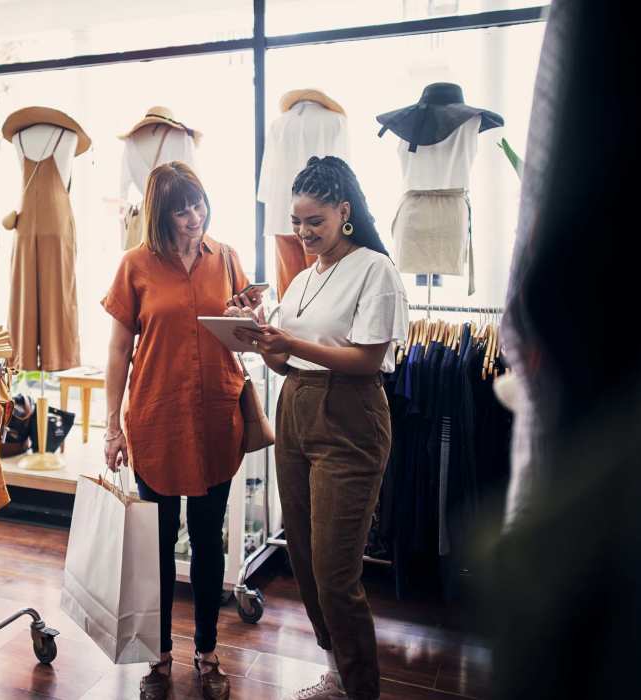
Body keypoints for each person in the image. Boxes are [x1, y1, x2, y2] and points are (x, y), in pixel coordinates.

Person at [232, 156, 408, 700]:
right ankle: (336, 671)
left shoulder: (374, 269)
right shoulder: (305, 278)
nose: (304, 233)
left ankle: (361, 690)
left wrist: (292, 345)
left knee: (335, 570)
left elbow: (368, 359)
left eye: (316, 221)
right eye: (298, 222)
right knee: (304, 557)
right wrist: (259, 334)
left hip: (350, 417)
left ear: (344, 212)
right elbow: (286, 364)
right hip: (295, 410)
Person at [102, 161, 256, 700]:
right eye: (180, 210)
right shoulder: (135, 266)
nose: (193, 218)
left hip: (216, 416)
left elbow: (244, 335)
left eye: (198, 204)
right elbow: (120, 351)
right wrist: (111, 428)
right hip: (157, 418)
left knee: (209, 539)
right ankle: (160, 655)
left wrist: (248, 317)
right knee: (159, 543)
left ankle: (208, 651)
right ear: (160, 215)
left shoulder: (228, 257)